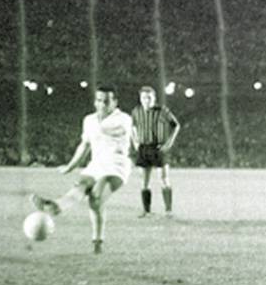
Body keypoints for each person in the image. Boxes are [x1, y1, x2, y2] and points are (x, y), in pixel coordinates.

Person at [30, 85, 134, 254]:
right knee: (80, 186)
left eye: (106, 101)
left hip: (116, 166)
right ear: (95, 101)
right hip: (96, 164)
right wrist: (70, 167)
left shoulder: (123, 119)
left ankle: (97, 241)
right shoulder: (89, 120)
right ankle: (55, 207)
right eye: (99, 100)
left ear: (115, 102)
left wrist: (95, 125)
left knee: (96, 197)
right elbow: (85, 145)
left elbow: (101, 129)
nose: (102, 105)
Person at [131, 86, 181, 218]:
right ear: (140, 99)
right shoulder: (136, 111)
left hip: (159, 148)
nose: (146, 101)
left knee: (164, 179)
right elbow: (132, 126)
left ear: (154, 98)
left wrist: (169, 143)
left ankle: (168, 211)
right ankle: (146, 211)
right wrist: (135, 141)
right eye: (143, 98)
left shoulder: (162, 111)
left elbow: (176, 125)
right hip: (143, 148)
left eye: (149, 98)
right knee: (144, 182)